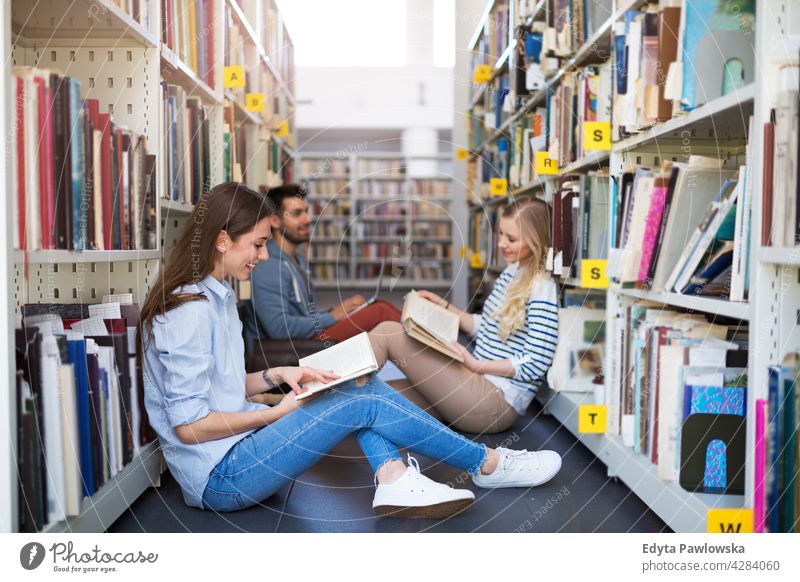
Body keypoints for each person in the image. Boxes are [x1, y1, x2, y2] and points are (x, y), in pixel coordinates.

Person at [138, 182, 562, 518]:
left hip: (241, 451)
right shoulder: (189, 312)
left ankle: (393, 473)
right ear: (223, 240)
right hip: (223, 478)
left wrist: (276, 375)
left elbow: (222, 384)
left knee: (357, 381)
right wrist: (274, 412)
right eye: (258, 244)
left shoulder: (219, 298)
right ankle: (486, 464)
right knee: (361, 394)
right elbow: (188, 428)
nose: (265, 256)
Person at [368, 197, 558, 435]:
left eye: (511, 239)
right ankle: (319, 402)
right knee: (373, 397)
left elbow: (536, 361)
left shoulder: (542, 287)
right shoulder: (512, 273)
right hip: (471, 383)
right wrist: (443, 306)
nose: (501, 244)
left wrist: (476, 365)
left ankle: (324, 383)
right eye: (500, 234)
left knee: (389, 331)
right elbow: (484, 325)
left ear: (536, 241)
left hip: (494, 401)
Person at [242, 184, 401, 347]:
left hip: (305, 338)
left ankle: (420, 328)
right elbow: (280, 329)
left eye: (306, 211)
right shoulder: (268, 266)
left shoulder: (297, 260)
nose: (307, 219)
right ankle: (423, 335)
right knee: (380, 311)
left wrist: (336, 311)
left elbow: (305, 314)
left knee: (378, 306)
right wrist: (333, 316)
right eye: (297, 214)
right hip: (289, 348)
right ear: (275, 221)